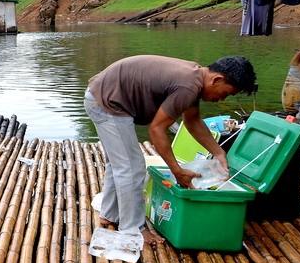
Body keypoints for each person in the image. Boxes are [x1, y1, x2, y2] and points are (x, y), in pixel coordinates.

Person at [84, 55, 257, 241]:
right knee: (131, 167)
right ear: (217, 80)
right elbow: (157, 129)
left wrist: (218, 152)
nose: (221, 100)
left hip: (104, 96)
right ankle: (133, 229)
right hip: (107, 103)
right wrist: (177, 170)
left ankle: (110, 214)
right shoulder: (188, 86)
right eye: (225, 94)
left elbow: (192, 121)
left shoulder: (195, 77)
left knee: (120, 163)